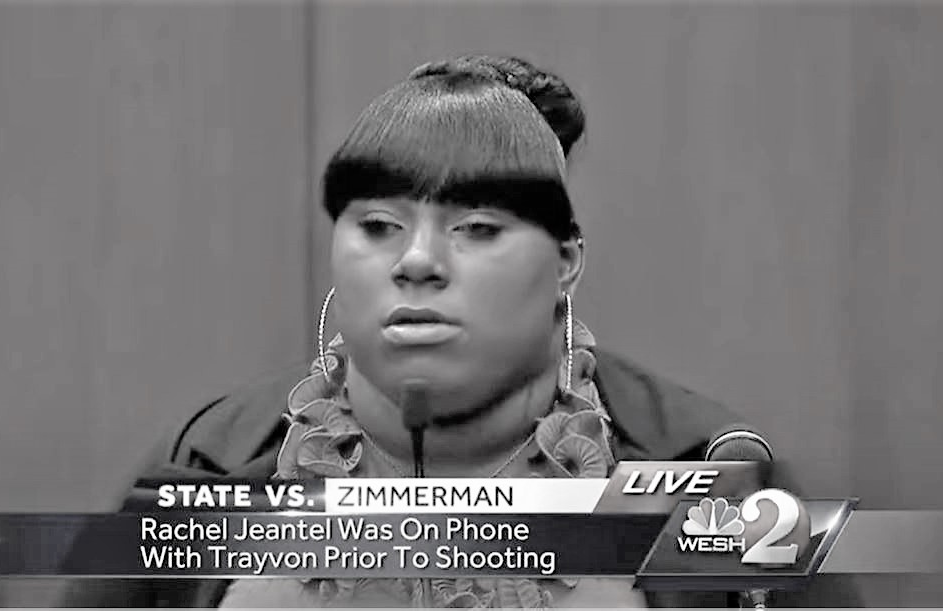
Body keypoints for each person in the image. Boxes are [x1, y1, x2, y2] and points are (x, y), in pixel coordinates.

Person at [61, 55, 861, 608]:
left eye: (476, 227)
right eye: (380, 224)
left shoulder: (715, 473)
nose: (417, 261)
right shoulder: (207, 464)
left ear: (565, 260)